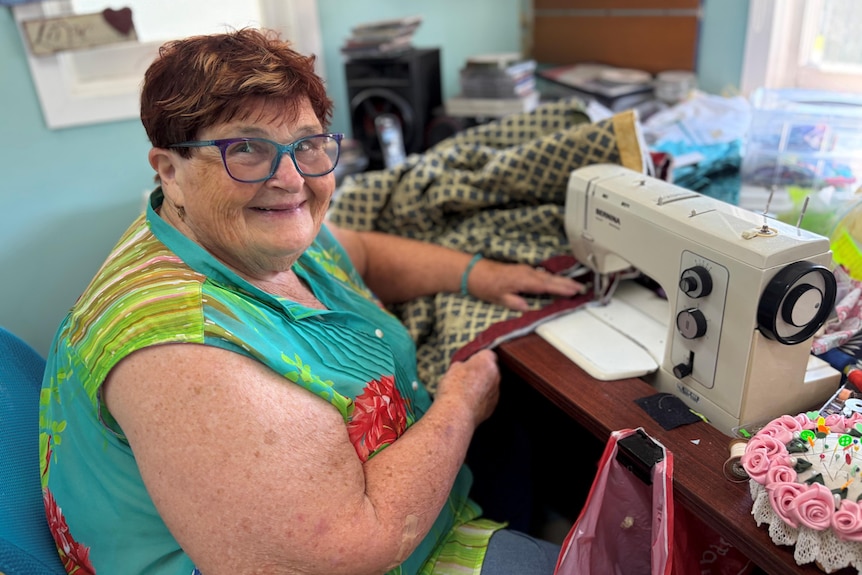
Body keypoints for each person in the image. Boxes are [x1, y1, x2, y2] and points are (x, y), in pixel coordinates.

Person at [39, 28, 583, 575]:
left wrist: (479, 275)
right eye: (245, 148)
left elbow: (363, 253)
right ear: (170, 172)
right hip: (373, 556)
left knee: (526, 442)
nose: (290, 177)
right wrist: (461, 405)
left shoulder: (249, 233)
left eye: (306, 144)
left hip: (405, 506)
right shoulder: (182, 355)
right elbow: (353, 546)